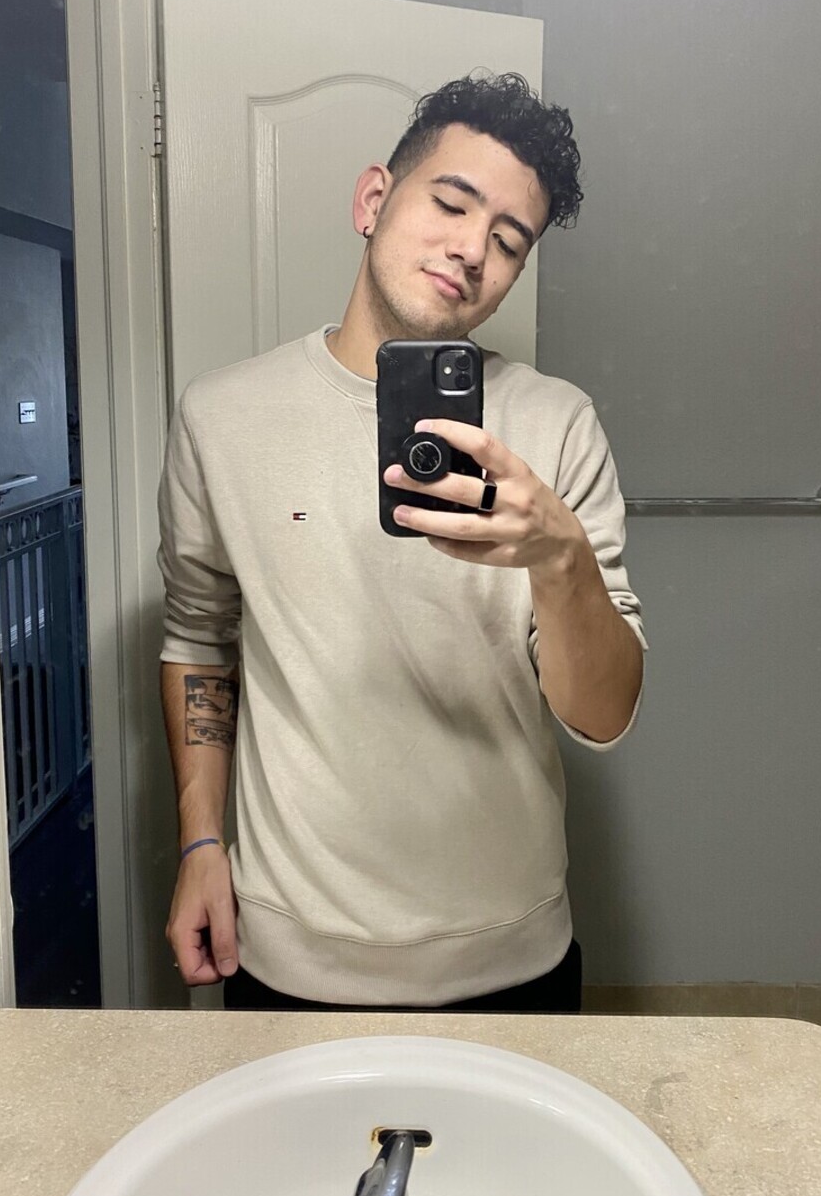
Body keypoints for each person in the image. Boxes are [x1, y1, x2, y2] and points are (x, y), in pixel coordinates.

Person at [159, 72, 647, 1013]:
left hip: (509, 951)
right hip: (288, 947)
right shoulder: (223, 416)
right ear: (374, 200)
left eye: (509, 241)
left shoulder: (558, 426)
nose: (471, 249)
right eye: (451, 204)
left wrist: (562, 559)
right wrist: (200, 843)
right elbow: (197, 638)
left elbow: (603, 715)